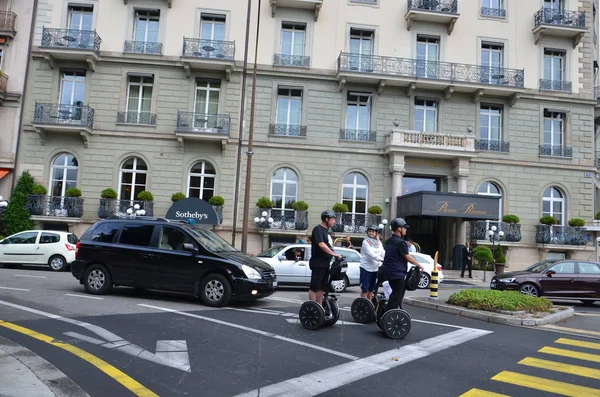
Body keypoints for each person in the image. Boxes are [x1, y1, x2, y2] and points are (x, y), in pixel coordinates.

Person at [382, 218, 424, 311]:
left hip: (389, 271)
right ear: (399, 229)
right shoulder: (401, 243)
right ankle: (387, 313)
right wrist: (419, 265)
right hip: (397, 272)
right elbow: (408, 257)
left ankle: (390, 312)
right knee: (397, 294)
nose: (406, 229)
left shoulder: (389, 241)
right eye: (404, 228)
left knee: (396, 292)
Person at [309, 210, 342, 304]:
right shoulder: (318, 229)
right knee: (315, 287)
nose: (334, 222)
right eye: (333, 220)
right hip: (318, 263)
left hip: (325, 264)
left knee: (322, 287)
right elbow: (321, 244)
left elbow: (329, 245)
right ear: (326, 219)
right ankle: (312, 306)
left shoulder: (327, 232)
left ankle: (319, 306)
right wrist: (334, 254)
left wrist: (336, 256)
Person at [359, 225, 385, 300]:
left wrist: (386, 258)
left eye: (373, 232)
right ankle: (363, 303)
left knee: (371, 288)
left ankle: (369, 304)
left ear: (376, 233)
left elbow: (382, 251)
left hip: (375, 268)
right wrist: (381, 259)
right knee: (365, 288)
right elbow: (370, 254)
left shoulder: (378, 242)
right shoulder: (365, 242)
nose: (371, 233)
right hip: (366, 268)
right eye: (369, 231)